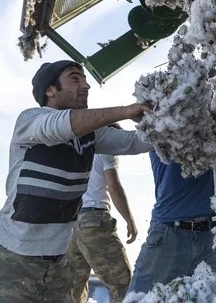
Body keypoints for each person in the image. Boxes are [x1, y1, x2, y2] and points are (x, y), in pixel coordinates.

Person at [0, 60, 153, 303]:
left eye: (86, 80)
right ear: (50, 90)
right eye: (75, 78)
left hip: (58, 269)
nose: (86, 85)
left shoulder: (91, 135)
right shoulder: (31, 120)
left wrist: (167, 119)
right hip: (12, 265)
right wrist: (124, 111)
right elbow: (58, 126)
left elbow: (136, 142)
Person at [127, 75, 216, 294]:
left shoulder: (207, 124)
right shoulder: (159, 133)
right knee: (140, 298)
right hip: (169, 237)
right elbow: (191, 126)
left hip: (208, 237)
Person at [66, 123, 137, 303]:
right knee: (124, 286)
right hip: (93, 222)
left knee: (72, 289)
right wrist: (129, 220)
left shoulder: (80, 149)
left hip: (72, 224)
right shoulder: (106, 150)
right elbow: (114, 187)